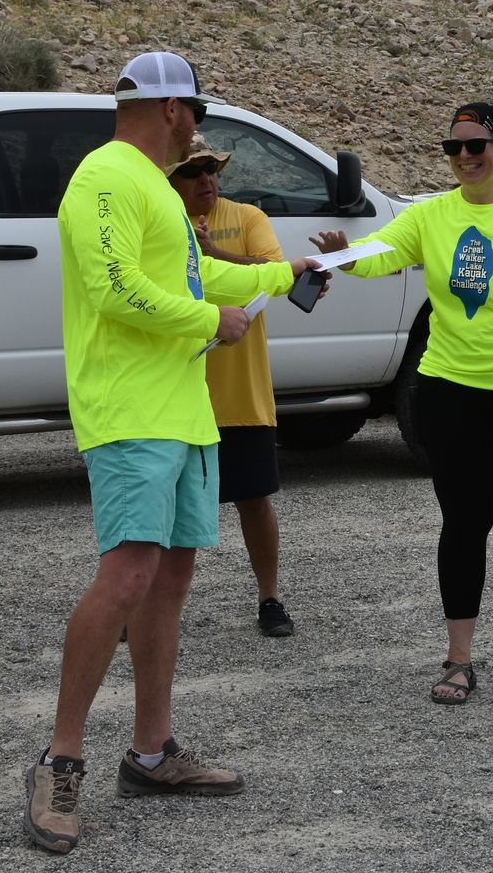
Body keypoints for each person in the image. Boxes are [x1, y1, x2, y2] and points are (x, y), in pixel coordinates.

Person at [25, 52, 320, 856]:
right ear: (172, 108)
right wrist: (206, 325)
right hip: (128, 412)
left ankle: (152, 753)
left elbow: (195, 279)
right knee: (124, 577)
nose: (199, 124)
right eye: (196, 109)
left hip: (184, 413)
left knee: (169, 579)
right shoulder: (106, 178)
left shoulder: (153, 184)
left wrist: (286, 270)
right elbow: (116, 288)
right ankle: (59, 762)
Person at [312, 101, 493, 706]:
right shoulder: (432, 217)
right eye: (454, 149)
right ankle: (458, 657)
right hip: (451, 391)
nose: (466, 158)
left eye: (477, 147)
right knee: (465, 523)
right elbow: (383, 254)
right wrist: (342, 255)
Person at [167, 133, 296, 638]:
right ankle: (141, 604)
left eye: (213, 169)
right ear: (171, 179)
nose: (206, 180)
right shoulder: (159, 219)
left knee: (254, 499)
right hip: (179, 392)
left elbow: (275, 273)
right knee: (164, 507)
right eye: (193, 171)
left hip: (241, 394)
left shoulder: (246, 218)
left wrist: (213, 253)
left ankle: (270, 597)